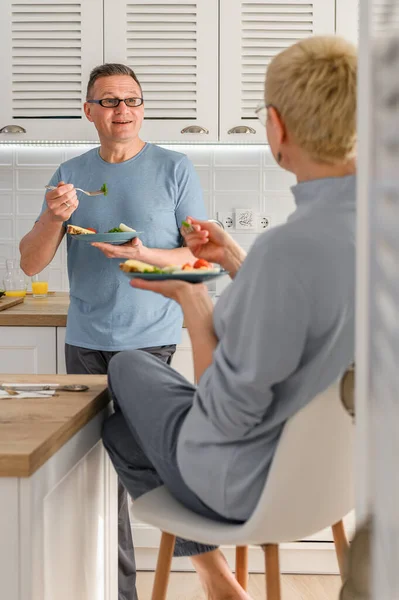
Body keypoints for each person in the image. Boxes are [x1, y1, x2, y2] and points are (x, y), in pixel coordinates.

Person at [102, 35, 357, 600]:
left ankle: (215, 577)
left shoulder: (291, 250)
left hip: (245, 485)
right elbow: (311, 321)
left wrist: (191, 298)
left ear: (277, 126)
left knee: (128, 367)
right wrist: (237, 260)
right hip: (339, 481)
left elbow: (225, 418)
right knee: (118, 429)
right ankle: (217, 579)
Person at [19, 63, 207, 600]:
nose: (122, 110)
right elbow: (31, 265)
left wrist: (144, 253)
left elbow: (195, 254)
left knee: (137, 458)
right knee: (89, 470)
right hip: (85, 340)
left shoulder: (174, 166)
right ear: (89, 112)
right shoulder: (69, 174)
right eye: (108, 101)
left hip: (149, 337)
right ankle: (114, 587)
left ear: (142, 108)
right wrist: (53, 218)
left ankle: (204, 562)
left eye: (131, 100)